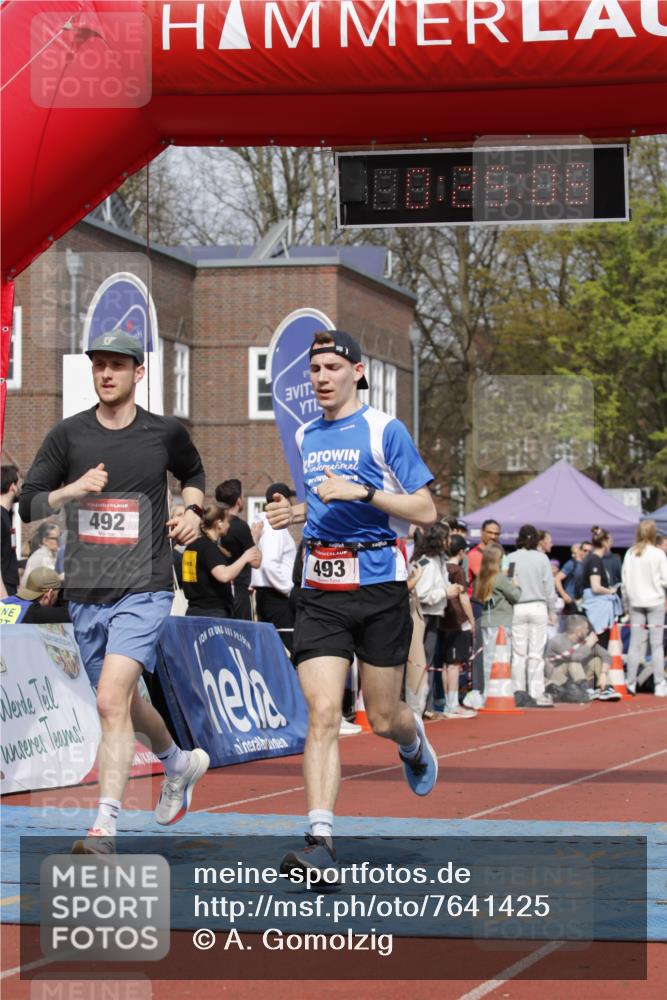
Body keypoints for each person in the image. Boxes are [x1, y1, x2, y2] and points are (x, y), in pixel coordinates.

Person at [19, 328, 210, 854]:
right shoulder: (68, 436)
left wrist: (192, 510)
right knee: (123, 703)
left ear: (137, 373)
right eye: (99, 365)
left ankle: (104, 827)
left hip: (144, 586)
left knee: (109, 699)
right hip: (86, 591)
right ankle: (179, 763)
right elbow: (28, 505)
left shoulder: (162, 433)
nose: (106, 373)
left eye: (117, 365)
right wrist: (72, 491)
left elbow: (193, 472)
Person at [266, 330, 437, 881]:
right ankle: (320, 842)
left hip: (379, 585)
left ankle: (412, 742)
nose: (320, 377)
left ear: (357, 372)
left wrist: (365, 493)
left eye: (332, 367)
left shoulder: (385, 429)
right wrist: (297, 514)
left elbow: (425, 510)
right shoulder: (306, 432)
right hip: (320, 587)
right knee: (321, 713)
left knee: (384, 716)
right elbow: (321, 499)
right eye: (314, 369)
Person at [182, 504, 261, 619]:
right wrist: (245, 557)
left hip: (193, 612)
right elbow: (224, 575)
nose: (228, 525)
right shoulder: (209, 547)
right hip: (212, 614)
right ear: (219, 523)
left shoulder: (191, 547)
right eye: (227, 521)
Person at [410, 523, 456, 718]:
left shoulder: (439, 560)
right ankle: (417, 706)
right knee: (420, 661)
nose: (451, 541)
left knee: (428, 660)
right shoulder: (427, 562)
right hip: (423, 615)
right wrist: (445, 592)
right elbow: (422, 594)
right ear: (441, 539)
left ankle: (425, 707)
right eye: (448, 537)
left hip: (434, 614)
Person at [510, 523, 557, 707]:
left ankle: (518, 690)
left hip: (518, 606)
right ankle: (536, 692)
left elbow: (508, 582)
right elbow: (549, 588)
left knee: (518, 653)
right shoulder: (542, 558)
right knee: (536, 654)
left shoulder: (511, 557)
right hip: (538, 606)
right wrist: (552, 610)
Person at [621, 520, 667, 696]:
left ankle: (631, 682)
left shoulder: (630, 553)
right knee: (656, 645)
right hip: (654, 601)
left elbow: (625, 582)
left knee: (634, 643)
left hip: (636, 601)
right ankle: (659, 683)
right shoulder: (657, 554)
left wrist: (626, 604)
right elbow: (665, 578)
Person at [251, 483, 298, 652]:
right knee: (290, 647)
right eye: (289, 499)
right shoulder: (274, 527)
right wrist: (289, 590)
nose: (292, 504)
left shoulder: (264, 524)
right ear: (279, 499)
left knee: (271, 649)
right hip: (277, 596)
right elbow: (269, 564)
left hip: (269, 593)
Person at [475, 541, 521, 707]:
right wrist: (515, 582)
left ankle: (487, 691)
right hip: (501, 620)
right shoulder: (500, 578)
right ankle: (498, 691)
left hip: (487, 618)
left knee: (488, 658)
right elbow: (515, 595)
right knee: (501, 657)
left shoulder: (483, 576)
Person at [438, 534, 477, 718]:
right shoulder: (457, 570)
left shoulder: (440, 566)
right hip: (456, 620)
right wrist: (471, 619)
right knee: (454, 664)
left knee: (446, 664)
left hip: (441, 618)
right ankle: (452, 704)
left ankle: (447, 701)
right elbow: (463, 597)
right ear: (461, 552)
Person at [545, 615, 621, 702]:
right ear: (578, 631)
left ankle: (606, 687)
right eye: (586, 628)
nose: (588, 631)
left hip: (576, 675)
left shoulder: (584, 640)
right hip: (558, 676)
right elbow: (574, 657)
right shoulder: (558, 641)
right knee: (573, 662)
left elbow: (606, 655)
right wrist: (588, 645)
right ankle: (583, 689)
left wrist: (603, 673)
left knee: (596, 659)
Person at [213, 478, 257, 620]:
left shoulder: (212, 524)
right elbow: (256, 561)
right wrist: (256, 536)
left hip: (217, 593)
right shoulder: (240, 526)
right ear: (239, 501)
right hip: (237, 590)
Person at [580, 527, 621, 646]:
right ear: (604, 542)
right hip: (597, 610)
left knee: (595, 644)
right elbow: (596, 587)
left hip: (597, 609)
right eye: (610, 540)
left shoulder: (592, 559)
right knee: (597, 643)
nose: (611, 542)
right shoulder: (594, 560)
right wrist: (610, 591)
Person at [0, 566, 69, 624]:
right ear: (48, 595)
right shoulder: (35, 613)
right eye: (57, 595)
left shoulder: (4, 602)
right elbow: (75, 615)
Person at [1, 464, 21, 597]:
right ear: (12, 486)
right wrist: (3, 598)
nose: (21, 487)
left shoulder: (7, 515)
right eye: (20, 483)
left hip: (10, 587)